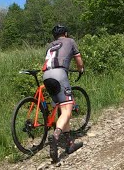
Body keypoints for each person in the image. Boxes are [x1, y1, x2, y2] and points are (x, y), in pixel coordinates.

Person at [42, 25, 84, 162]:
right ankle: (56, 135)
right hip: (60, 74)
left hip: (46, 75)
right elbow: (78, 59)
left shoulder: (50, 45)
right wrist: (81, 69)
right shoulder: (70, 41)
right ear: (65, 33)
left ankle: (70, 144)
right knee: (67, 110)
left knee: (61, 107)